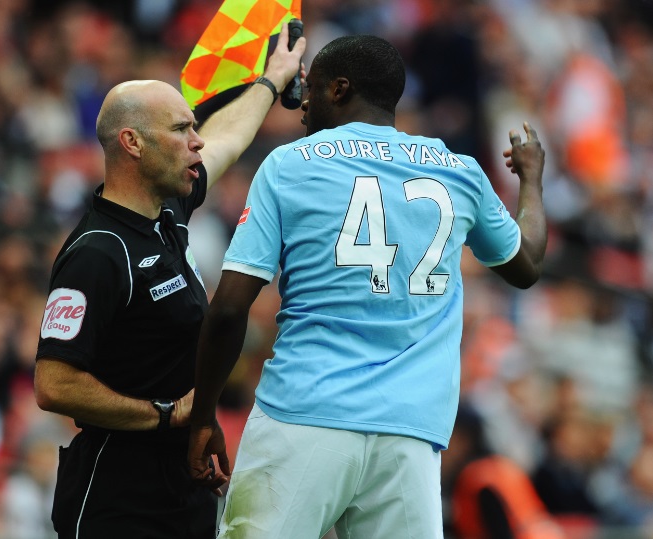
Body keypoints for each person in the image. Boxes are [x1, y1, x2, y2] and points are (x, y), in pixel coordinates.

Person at [187, 34, 547, 539]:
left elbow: (228, 308)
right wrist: (530, 179)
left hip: (303, 414)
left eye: (311, 88)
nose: (302, 102)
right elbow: (527, 264)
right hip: (409, 434)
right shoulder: (459, 170)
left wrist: (203, 415)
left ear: (339, 89)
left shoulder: (291, 164)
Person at [32, 23, 306, 539]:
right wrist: (163, 414)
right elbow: (53, 384)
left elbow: (227, 138)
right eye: (181, 129)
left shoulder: (169, 212)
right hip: (118, 499)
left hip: (182, 486)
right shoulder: (97, 253)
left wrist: (271, 81)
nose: (196, 141)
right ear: (132, 142)